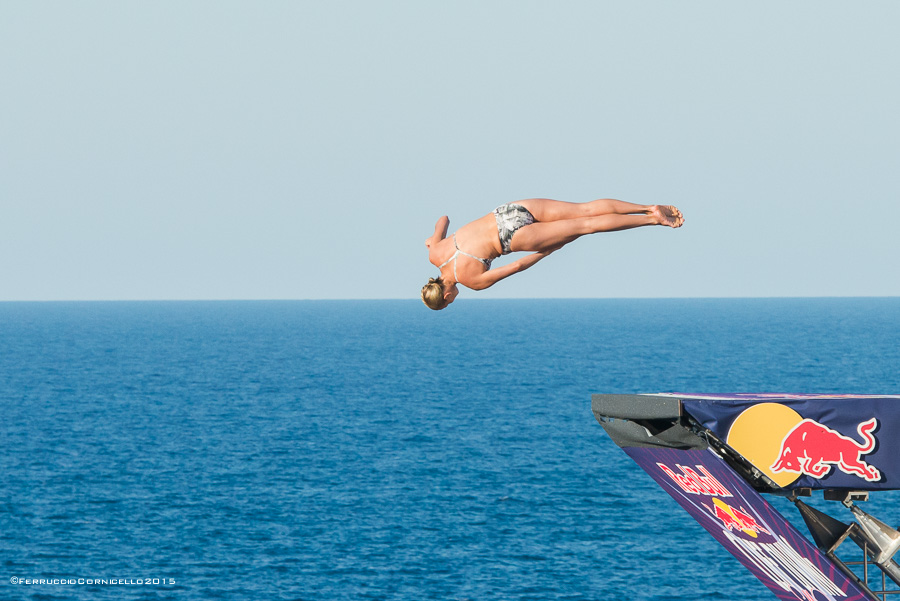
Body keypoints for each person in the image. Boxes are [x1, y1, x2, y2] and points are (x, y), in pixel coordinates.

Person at [422, 198, 684, 310]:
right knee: (585, 211)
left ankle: (652, 220)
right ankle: (647, 206)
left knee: (586, 227)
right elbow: (443, 219)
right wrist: (433, 240)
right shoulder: (435, 253)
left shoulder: (472, 281)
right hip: (507, 211)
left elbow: (516, 267)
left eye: (449, 303)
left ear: (445, 295)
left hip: (510, 237)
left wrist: (546, 252)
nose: (453, 300)